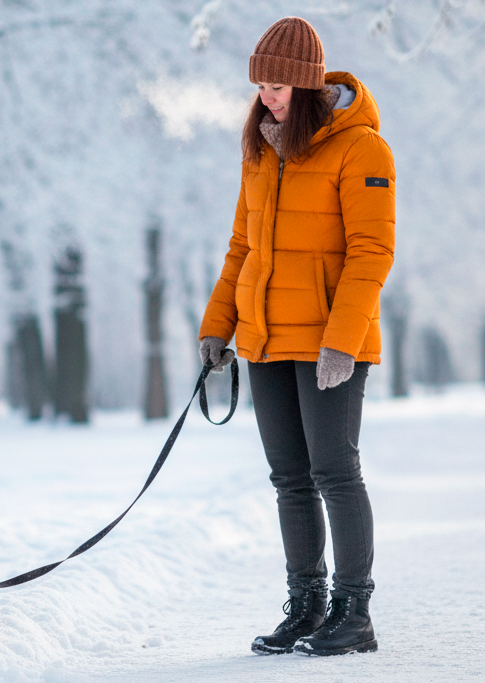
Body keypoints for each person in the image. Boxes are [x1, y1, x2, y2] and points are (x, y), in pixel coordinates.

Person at [198, 17, 395, 656]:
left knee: (335, 471)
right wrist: (218, 327)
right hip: (267, 339)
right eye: (260, 86)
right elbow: (241, 248)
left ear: (307, 84)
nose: (266, 98)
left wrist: (342, 340)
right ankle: (306, 606)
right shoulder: (261, 149)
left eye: (277, 86)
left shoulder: (362, 149)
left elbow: (371, 252)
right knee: (290, 478)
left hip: (330, 342)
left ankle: (353, 612)